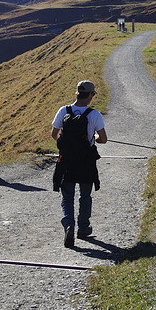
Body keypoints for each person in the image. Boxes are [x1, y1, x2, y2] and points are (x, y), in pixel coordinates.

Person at [51, 80, 107, 248]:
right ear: (90, 95)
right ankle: (83, 228)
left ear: (77, 93)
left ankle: (69, 224)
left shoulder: (64, 111)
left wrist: (68, 143)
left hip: (66, 161)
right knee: (85, 196)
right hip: (86, 162)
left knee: (67, 197)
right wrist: (93, 138)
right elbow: (103, 139)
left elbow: (54, 134)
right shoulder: (94, 114)